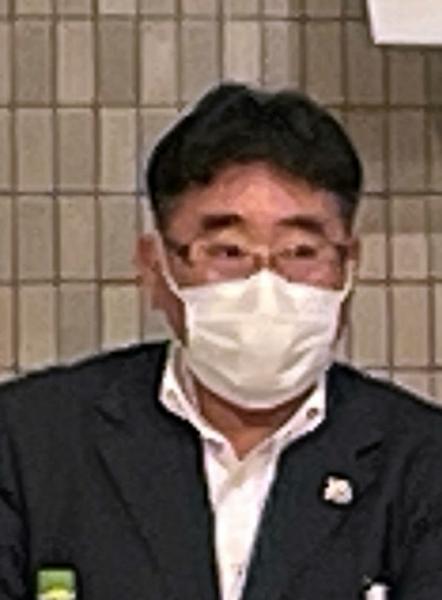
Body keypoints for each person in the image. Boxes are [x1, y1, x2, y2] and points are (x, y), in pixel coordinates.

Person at [1, 82, 442, 600]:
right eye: (228, 252)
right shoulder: (28, 442)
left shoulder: (423, 461)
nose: (266, 286)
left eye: (301, 251)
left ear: (349, 266)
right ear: (154, 267)